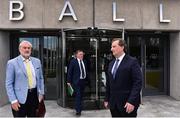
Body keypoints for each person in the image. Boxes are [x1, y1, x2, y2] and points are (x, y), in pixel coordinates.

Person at [104, 38, 142, 117]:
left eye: (114, 46)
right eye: (111, 47)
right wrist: (106, 99)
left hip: (127, 105)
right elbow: (109, 83)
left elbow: (137, 83)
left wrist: (131, 101)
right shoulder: (111, 63)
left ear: (122, 47)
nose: (111, 49)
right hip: (113, 104)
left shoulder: (132, 62)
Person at [6, 40, 44, 117]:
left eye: (29, 48)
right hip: (19, 98)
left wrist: (41, 93)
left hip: (34, 96)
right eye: (24, 48)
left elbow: (40, 78)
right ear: (20, 49)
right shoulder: (12, 63)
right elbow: (9, 83)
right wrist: (13, 100)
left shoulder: (37, 61)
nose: (27, 49)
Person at [67, 50, 88, 116]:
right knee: (78, 96)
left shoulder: (85, 61)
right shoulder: (73, 62)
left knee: (81, 96)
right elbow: (70, 72)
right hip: (76, 82)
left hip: (83, 81)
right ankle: (78, 110)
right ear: (77, 55)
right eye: (80, 54)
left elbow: (86, 71)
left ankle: (79, 107)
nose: (82, 55)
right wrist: (68, 81)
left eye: (82, 54)